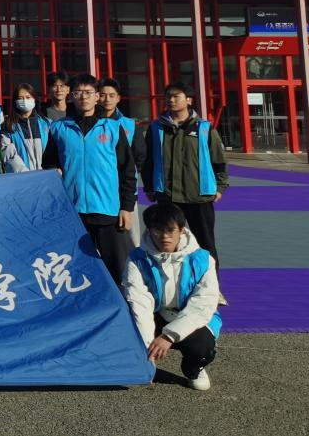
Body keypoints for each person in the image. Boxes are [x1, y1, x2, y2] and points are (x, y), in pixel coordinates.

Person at [43, 73, 137, 282]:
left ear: (97, 96)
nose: (83, 97)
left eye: (88, 92)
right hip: (73, 211)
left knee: (116, 269)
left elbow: (127, 171)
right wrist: (53, 169)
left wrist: (126, 207)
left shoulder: (113, 128)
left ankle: (120, 302)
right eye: (78, 92)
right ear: (71, 96)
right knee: (76, 269)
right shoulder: (59, 128)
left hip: (107, 210)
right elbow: (48, 163)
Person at [143, 82, 230, 305]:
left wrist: (220, 187)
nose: (171, 100)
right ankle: (166, 290)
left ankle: (213, 289)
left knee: (205, 244)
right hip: (168, 196)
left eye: (176, 96)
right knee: (166, 243)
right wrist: (149, 186)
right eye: (168, 97)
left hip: (198, 196)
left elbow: (218, 160)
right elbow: (148, 160)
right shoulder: (156, 128)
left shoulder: (204, 128)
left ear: (188, 100)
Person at [122, 203, 221, 391]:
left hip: (190, 315)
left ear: (181, 230)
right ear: (149, 230)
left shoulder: (203, 260)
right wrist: (147, 353)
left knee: (201, 348)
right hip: (155, 314)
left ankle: (194, 369)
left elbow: (202, 304)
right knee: (125, 329)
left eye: (170, 230)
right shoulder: (136, 259)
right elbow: (139, 303)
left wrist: (168, 336)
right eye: (158, 230)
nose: (164, 236)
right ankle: (139, 362)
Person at [99, 78, 147, 247]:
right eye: (103, 95)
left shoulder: (129, 125)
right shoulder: (90, 123)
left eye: (112, 95)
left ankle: (135, 262)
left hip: (124, 188)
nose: (107, 99)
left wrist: (127, 175)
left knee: (131, 235)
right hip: (99, 187)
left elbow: (140, 156)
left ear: (118, 98)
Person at [0, 82, 50, 172]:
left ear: (34, 99)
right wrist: (25, 174)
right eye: (20, 98)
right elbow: (8, 155)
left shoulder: (46, 124)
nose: (24, 101)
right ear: (15, 101)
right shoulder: (8, 126)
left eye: (28, 97)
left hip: (45, 176)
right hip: (22, 177)